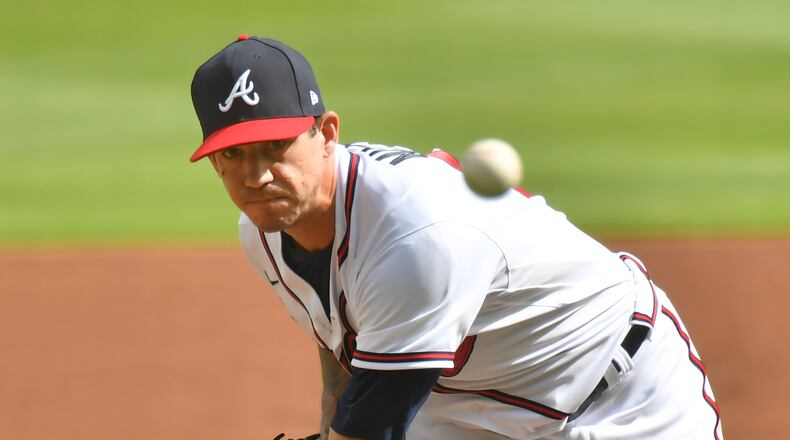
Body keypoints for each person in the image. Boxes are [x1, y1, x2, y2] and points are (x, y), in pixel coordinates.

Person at [189, 35, 724, 440]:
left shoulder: (415, 237)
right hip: (470, 404)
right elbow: (340, 353)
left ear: (327, 134)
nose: (255, 176)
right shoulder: (264, 232)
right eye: (232, 154)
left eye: (274, 146)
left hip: (623, 398)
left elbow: (374, 422)